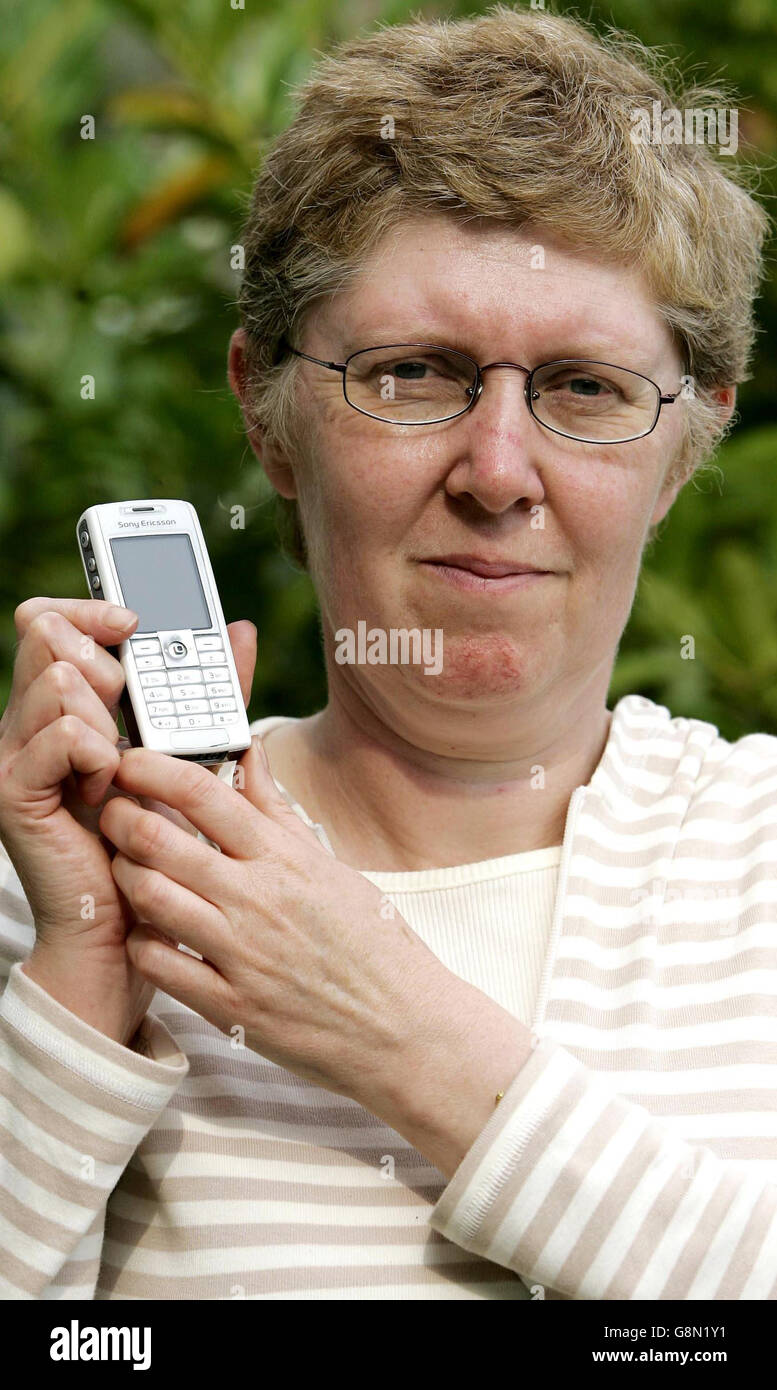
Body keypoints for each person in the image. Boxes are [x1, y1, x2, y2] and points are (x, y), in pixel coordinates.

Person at [1, 5, 775, 1302]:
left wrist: (393, 1026)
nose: (496, 472)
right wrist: (82, 971)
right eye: (414, 373)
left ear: (687, 440)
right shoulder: (58, 883)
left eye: (583, 386)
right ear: (268, 413)